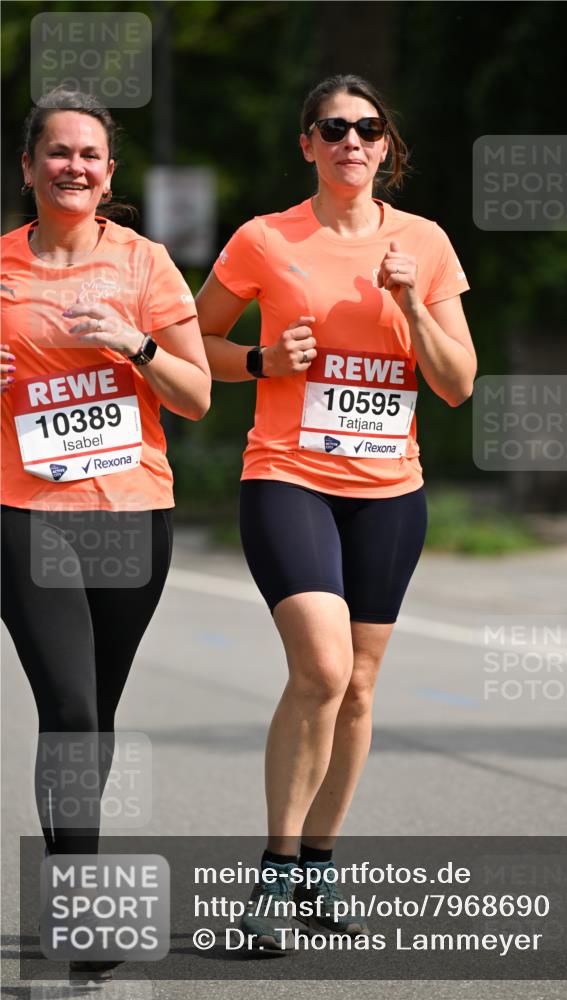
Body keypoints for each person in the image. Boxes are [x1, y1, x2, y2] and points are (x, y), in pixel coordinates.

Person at [196, 73, 475, 950]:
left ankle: (317, 867)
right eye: (331, 128)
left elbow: (457, 384)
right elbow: (196, 346)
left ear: (385, 146)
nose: (350, 140)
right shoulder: (263, 239)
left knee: (357, 685)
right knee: (320, 668)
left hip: (390, 490)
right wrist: (263, 359)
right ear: (307, 145)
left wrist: (405, 303)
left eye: (366, 127)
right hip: (287, 476)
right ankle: (273, 878)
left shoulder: (422, 244)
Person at [0, 88, 210, 979]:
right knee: (74, 711)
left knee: (94, 716)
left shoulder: (145, 262)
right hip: (27, 513)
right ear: (29, 167)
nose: (74, 167)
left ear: (109, 172)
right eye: (57, 152)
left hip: (133, 516)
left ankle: (65, 878)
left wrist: (135, 343)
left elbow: (198, 396)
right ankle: (82, 910)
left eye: (89, 155)